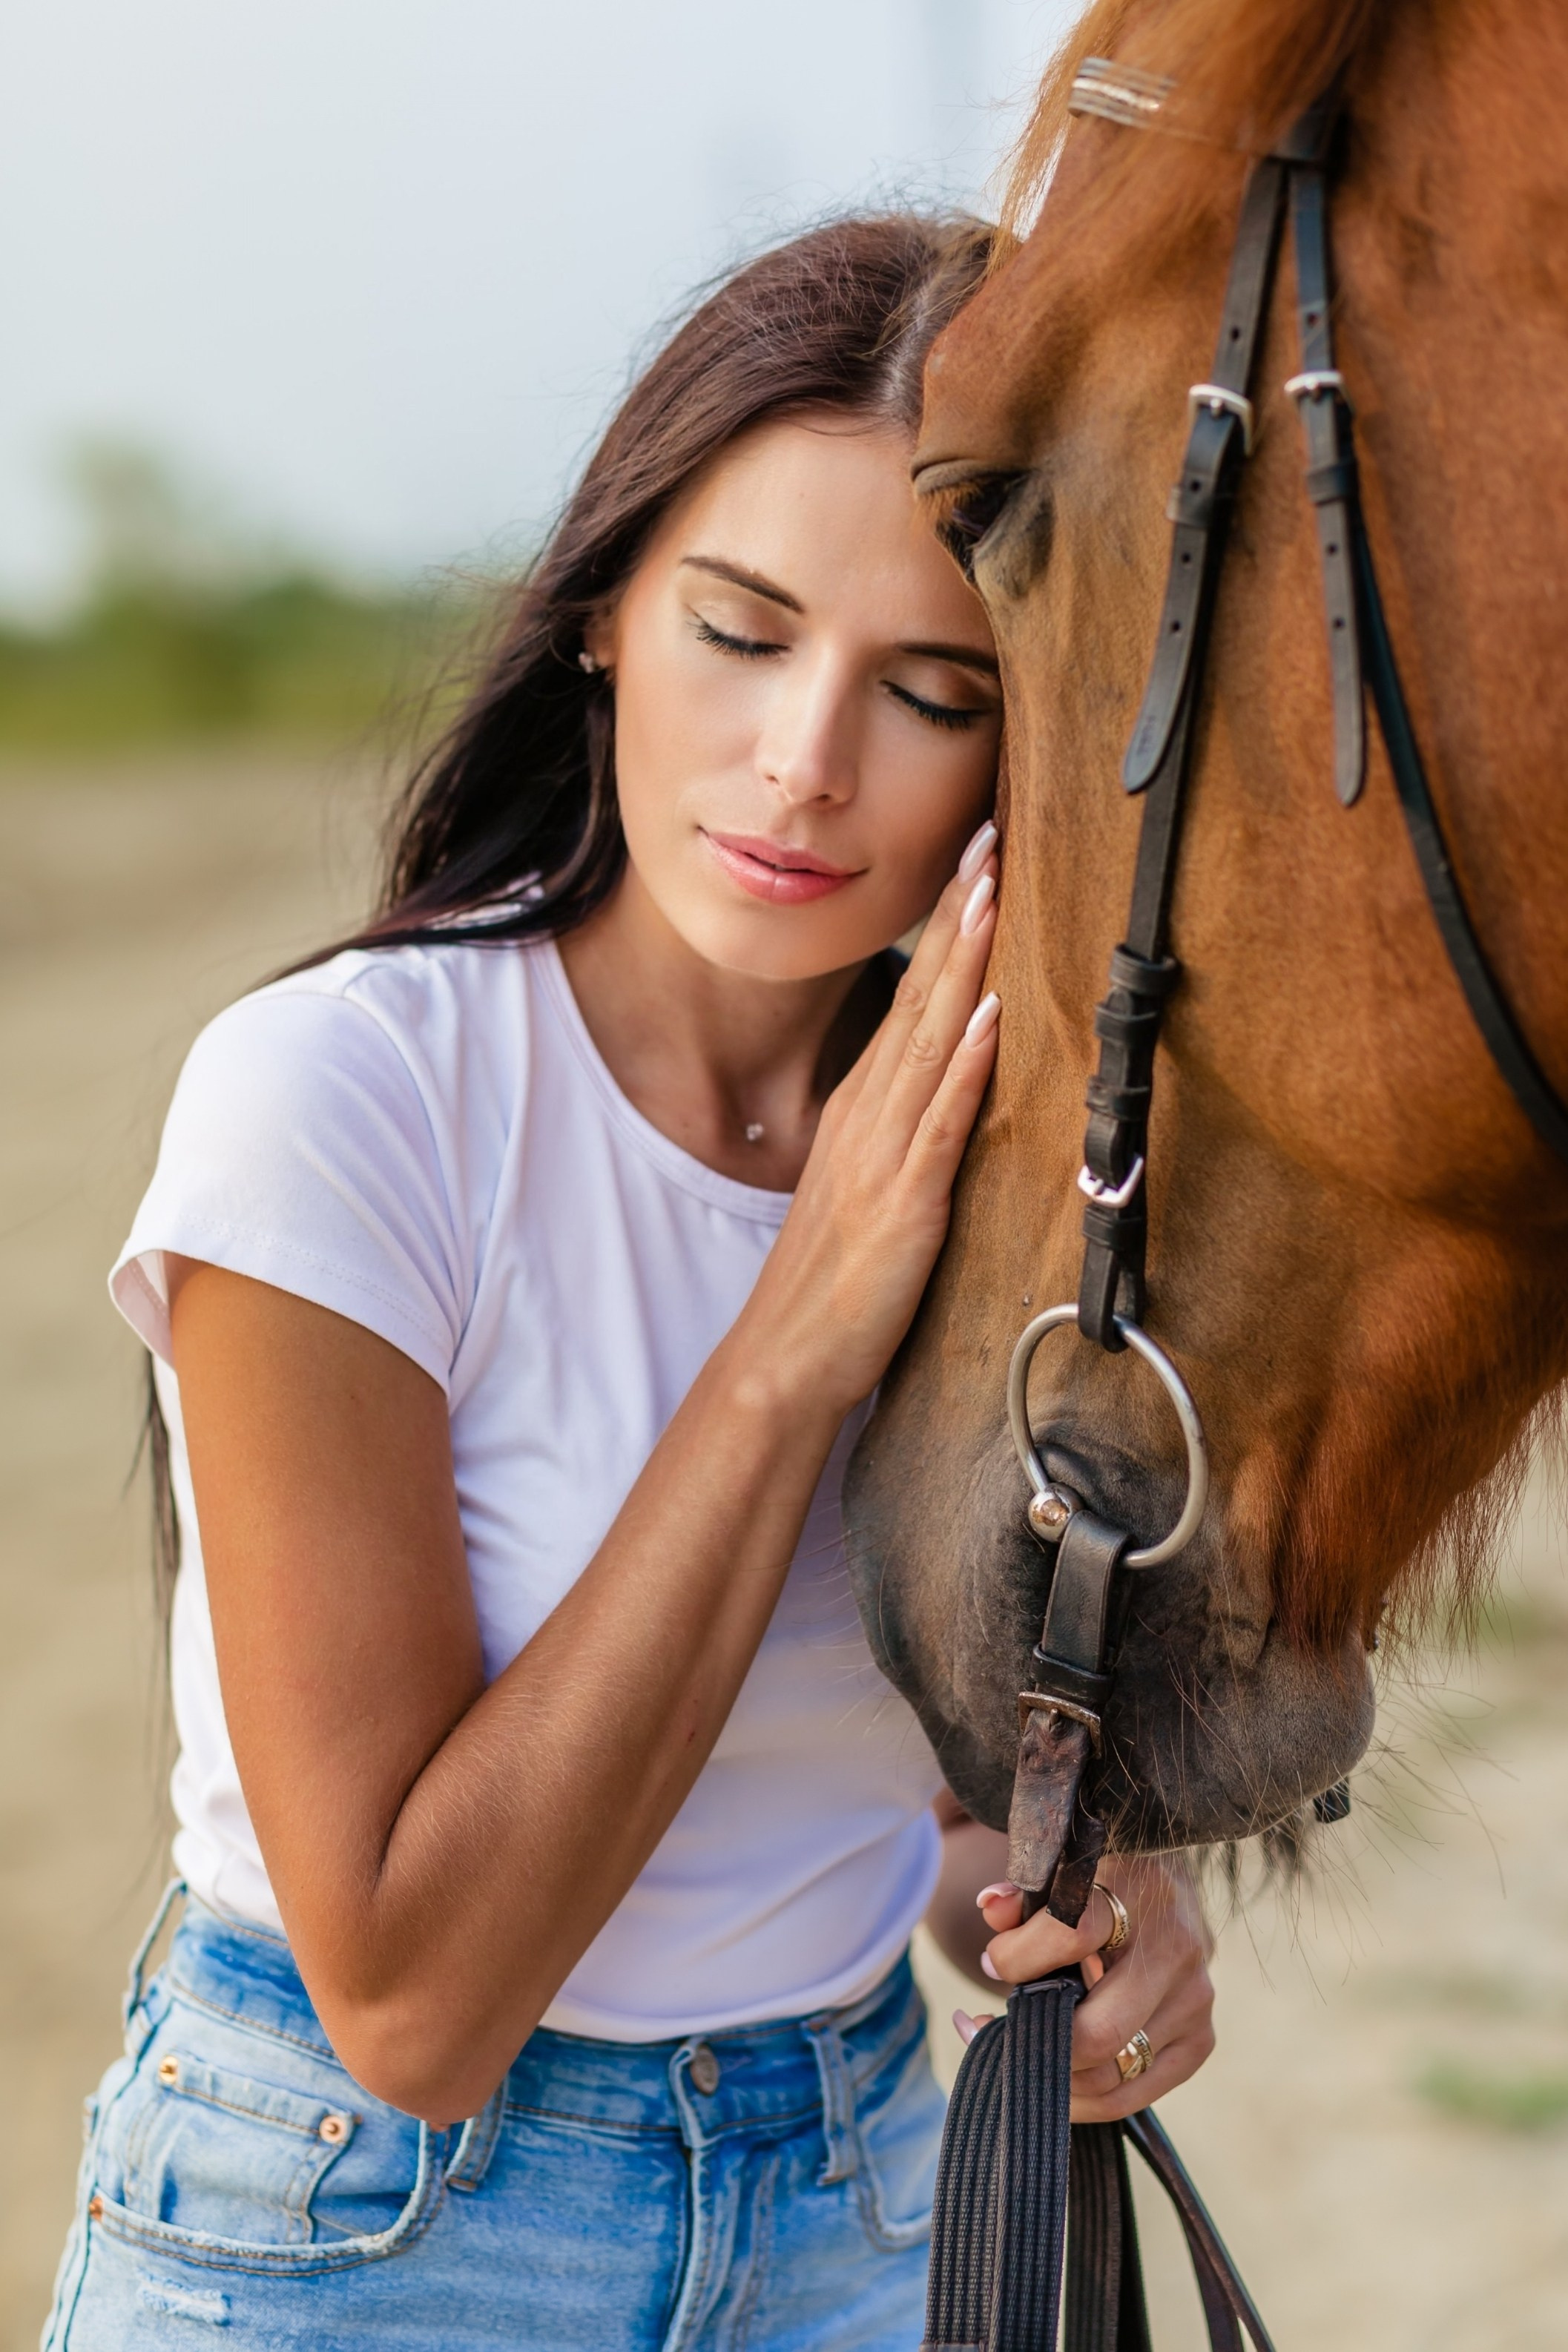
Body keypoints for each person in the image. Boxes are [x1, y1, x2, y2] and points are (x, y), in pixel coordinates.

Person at [45, 214, 1214, 2352]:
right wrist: (793, 1342)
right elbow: (409, 1989)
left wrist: (1069, 1924)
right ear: (599, 617)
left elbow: (914, 1805)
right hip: (359, 2232)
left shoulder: (1001, 1158)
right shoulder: (346, 1103)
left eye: (930, 690)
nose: (803, 763)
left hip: (853, 2191)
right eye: (739, 631)